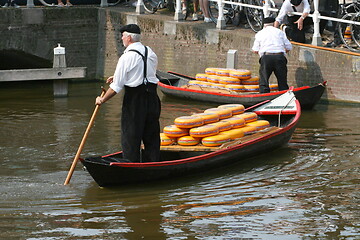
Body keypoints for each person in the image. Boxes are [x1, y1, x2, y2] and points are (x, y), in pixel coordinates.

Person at [95, 24, 161, 163]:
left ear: (129, 38)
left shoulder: (126, 57)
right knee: (151, 135)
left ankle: (131, 165)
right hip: (152, 98)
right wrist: (118, 76)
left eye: (123, 36)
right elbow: (147, 73)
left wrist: (102, 100)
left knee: (131, 136)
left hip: (135, 100)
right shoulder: (150, 52)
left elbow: (116, 87)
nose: (122, 38)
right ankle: (152, 163)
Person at [252, 17, 292, 93]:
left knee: (264, 80)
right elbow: (289, 47)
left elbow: (255, 50)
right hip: (279, 57)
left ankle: (264, 96)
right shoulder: (280, 32)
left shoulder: (260, 33)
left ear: (264, 25)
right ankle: (284, 96)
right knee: (282, 81)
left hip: (266, 57)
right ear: (274, 24)